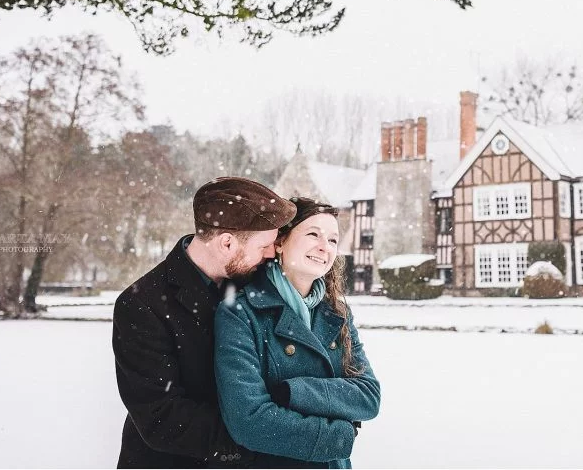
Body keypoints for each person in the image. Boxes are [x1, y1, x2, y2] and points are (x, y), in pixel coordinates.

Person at [112, 177, 297, 468]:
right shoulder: (141, 304)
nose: (272, 253)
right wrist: (268, 438)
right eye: (264, 245)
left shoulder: (253, 284)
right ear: (226, 243)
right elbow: (162, 418)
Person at [214, 197, 381, 469]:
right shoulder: (241, 312)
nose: (323, 247)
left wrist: (294, 392)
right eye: (313, 234)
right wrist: (336, 435)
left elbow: (368, 395)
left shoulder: (337, 312)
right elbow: (248, 420)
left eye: (333, 240)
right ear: (280, 242)